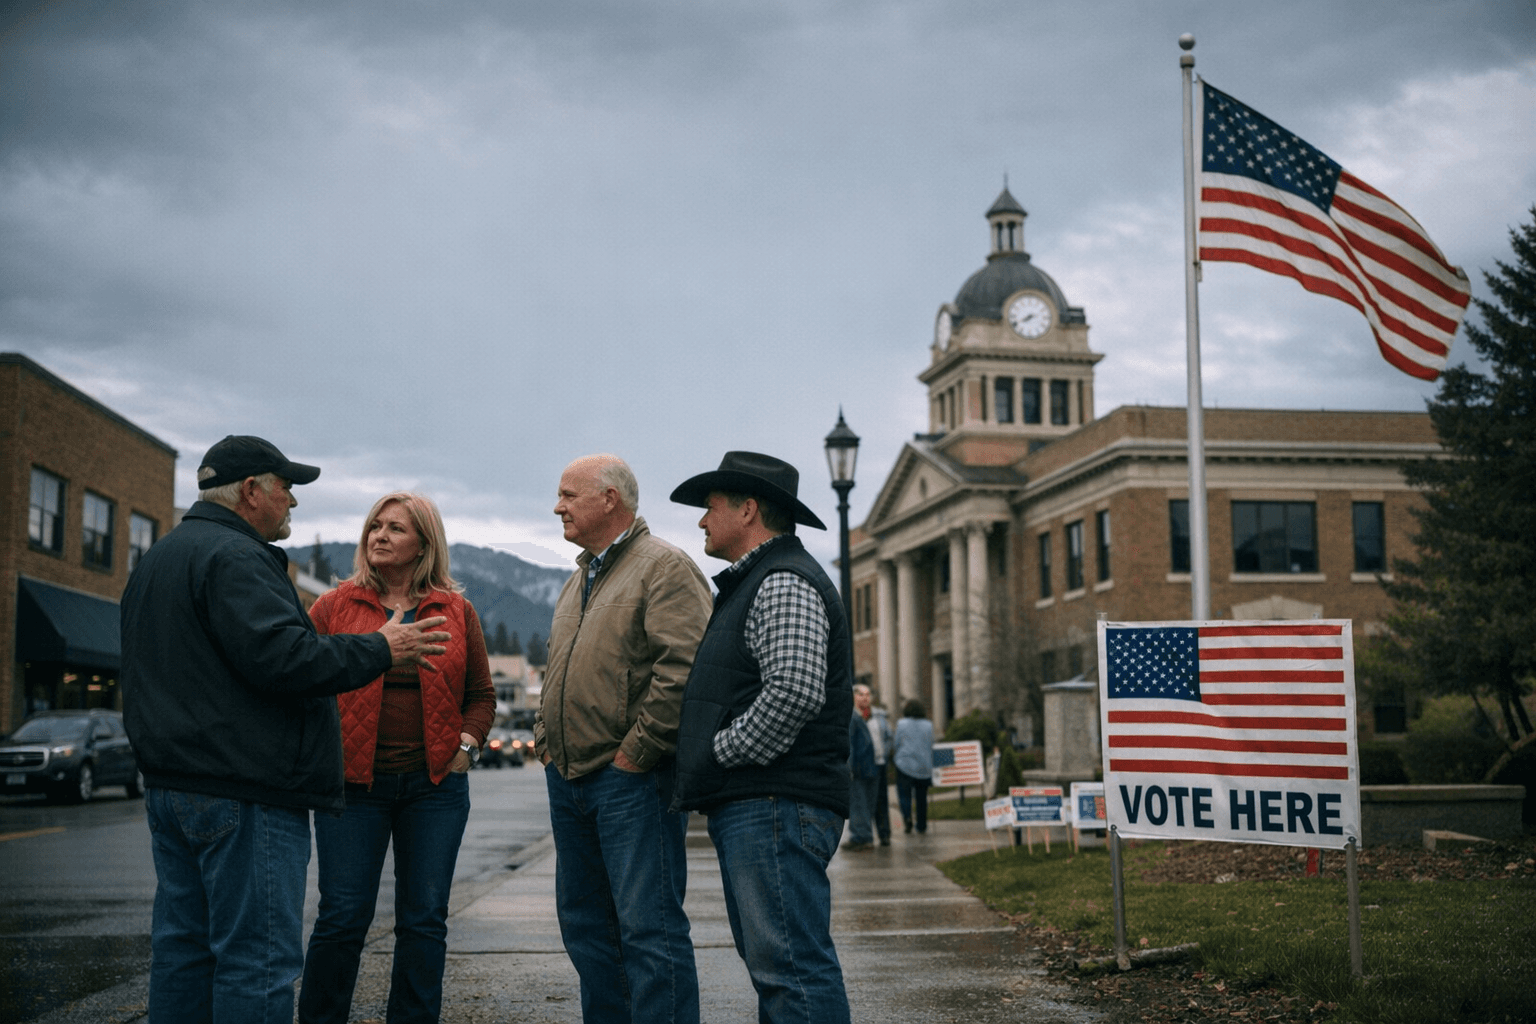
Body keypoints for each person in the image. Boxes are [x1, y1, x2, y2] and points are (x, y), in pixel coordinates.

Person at [120, 435, 451, 1024]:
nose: (293, 502)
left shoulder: (161, 559)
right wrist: (381, 648)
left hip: (172, 790)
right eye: (287, 488)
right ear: (252, 491)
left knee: (183, 953)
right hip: (244, 794)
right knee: (257, 961)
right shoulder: (235, 558)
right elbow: (286, 660)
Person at [670, 451, 854, 1024]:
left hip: (774, 802)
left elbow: (795, 692)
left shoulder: (782, 580)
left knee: (790, 969)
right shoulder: (762, 579)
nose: (701, 520)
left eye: (712, 508)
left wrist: (718, 751)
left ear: (749, 510)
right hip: (767, 803)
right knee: (781, 966)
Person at [299, 492, 496, 1024]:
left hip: (435, 789)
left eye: (395, 529)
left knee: (425, 919)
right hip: (355, 789)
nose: (379, 536)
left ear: (424, 544)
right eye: (374, 527)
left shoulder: (456, 610)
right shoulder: (335, 606)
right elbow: (300, 676)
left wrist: (467, 747)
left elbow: (481, 694)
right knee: (341, 917)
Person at [536, 454, 712, 1024]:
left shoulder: (664, 567)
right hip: (570, 780)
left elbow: (684, 670)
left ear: (609, 499)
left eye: (568, 494)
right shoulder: (578, 577)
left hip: (631, 783)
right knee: (586, 929)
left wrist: (636, 753)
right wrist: (545, 739)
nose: (557, 506)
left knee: (649, 930)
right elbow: (557, 670)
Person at [855, 683, 894, 847]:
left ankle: (884, 834)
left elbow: (888, 737)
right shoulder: (852, 717)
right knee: (863, 802)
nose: (865, 698)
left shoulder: (879, 716)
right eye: (861, 694)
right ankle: (865, 836)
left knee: (881, 800)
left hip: (879, 764)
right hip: (861, 765)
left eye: (868, 694)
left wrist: (884, 753)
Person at [892, 699, 935, 835]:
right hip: (923, 766)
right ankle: (921, 825)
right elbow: (931, 743)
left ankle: (907, 818)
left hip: (905, 764)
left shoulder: (901, 723)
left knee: (904, 795)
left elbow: (897, 743)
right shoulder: (928, 725)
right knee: (921, 797)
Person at [843, 705, 877, 852]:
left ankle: (861, 837)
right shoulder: (857, 718)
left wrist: (848, 769)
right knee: (862, 804)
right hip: (866, 768)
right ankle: (862, 836)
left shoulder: (851, 718)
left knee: (858, 804)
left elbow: (849, 745)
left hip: (858, 770)